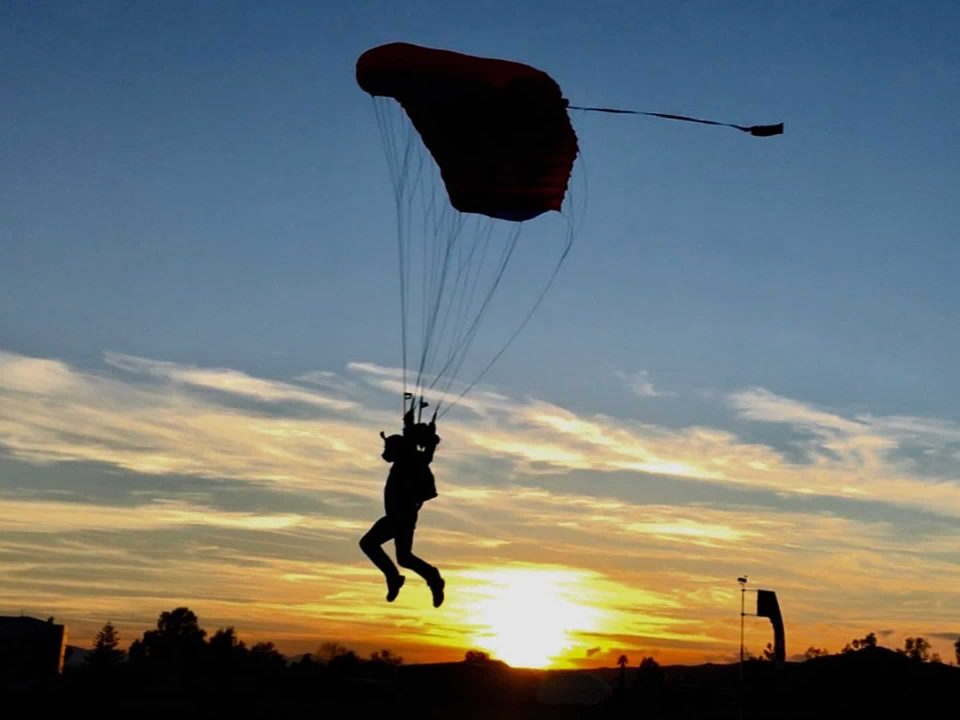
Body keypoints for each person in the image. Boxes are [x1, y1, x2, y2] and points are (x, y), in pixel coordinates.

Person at [360, 408, 444, 607]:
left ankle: (396, 577)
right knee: (404, 557)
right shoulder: (407, 460)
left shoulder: (410, 462)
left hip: (401, 516)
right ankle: (432, 577)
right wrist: (409, 425)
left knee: (369, 544)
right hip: (400, 515)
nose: (386, 454)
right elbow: (417, 450)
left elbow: (424, 458)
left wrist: (424, 439)